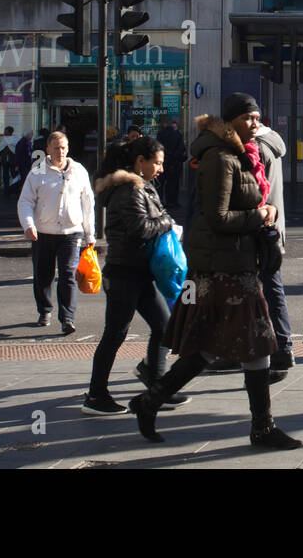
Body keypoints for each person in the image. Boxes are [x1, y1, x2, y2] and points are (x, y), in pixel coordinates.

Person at [127, 93, 302, 450]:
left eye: (258, 118)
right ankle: (262, 427)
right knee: (255, 342)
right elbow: (217, 217)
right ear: (232, 120)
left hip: (233, 264)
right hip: (225, 268)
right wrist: (263, 215)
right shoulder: (221, 158)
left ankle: (150, 400)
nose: (255, 124)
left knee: (210, 345)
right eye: (249, 118)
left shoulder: (238, 154)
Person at [83, 137, 188, 415]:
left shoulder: (141, 187)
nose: (161, 169)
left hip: (139, 273)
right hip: (124, 274)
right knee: (115, 334)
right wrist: (168, 222)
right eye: (157, 163)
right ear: (140, 162)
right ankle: (95, 396)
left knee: (164, 327)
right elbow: (142, 228)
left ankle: (155, 383)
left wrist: (164, 220)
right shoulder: (129, 190)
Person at [17, 131, 96, 335]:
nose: (60, 152)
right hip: (43, 232)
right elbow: (25, 201)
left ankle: (67, 318)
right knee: (43, 274)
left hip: (71, 232)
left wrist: (90, 235)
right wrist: (28, 225)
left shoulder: (79, 171)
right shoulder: (37, 173)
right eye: (56, 148)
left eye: (63, 148)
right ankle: (45, 310)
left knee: (68, 275)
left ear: (68, 149)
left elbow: (88, 204)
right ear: (48, 150)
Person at [254, 121, 295, 382]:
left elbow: (255, 193)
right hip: (271, 230)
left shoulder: (255, 148)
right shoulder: (273, 141)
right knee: (271, 288)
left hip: (259, 229)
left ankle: (278, 350)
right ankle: (282, 348)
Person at [157, 117, 187, 208]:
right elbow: (181, 148)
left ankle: (159, 201)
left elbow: (158, 148)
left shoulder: (160, 134)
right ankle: (172, 202)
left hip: (163, 162)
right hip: (174, 162)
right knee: (173, 183)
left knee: (160, 183)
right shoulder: (177, 134)